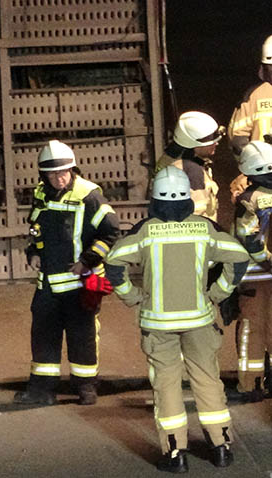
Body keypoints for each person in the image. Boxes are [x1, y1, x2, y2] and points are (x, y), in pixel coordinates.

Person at [104, 166, 249, 473]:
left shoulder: (144, 232)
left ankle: (175, 455)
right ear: (187, 198)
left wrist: (133, 296)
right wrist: (217, 293)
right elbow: (238, 257)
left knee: (167, 386)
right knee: (207, 380)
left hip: (158, 325)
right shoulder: (204, 228)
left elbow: (114, 263)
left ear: (154, 199)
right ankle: (221, 447)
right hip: (199, 319)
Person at [13, 140, 120, 407]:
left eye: (64, 172)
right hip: (49, 282)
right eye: (52, 174)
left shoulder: (89, 195)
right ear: (43, 175)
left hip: (80, 283)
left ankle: (85, 387)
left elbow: (110, 233)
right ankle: (42, 390)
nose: (59, 179)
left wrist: (87, 260)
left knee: (82, 335)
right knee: (43, 335)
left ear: (73, 169)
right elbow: (36, 228)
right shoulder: (41, 194)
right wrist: (33, 252)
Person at [228, 141, 272, 402]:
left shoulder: (248, 200)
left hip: (256, 276)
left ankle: (250, 383)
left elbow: (247, 236)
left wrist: (266, 260)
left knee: (251, 330)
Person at [154, 111, 223, 221]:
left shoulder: (171, 160)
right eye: (211, 141)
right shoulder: (192, 171)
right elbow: (198, 216)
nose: (216, 143)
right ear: (194, 144)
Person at [228, 35, 272, 202]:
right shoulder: (252, 97)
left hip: (260, 175)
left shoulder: (253, 97)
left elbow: (237, 141)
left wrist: (249, 167)